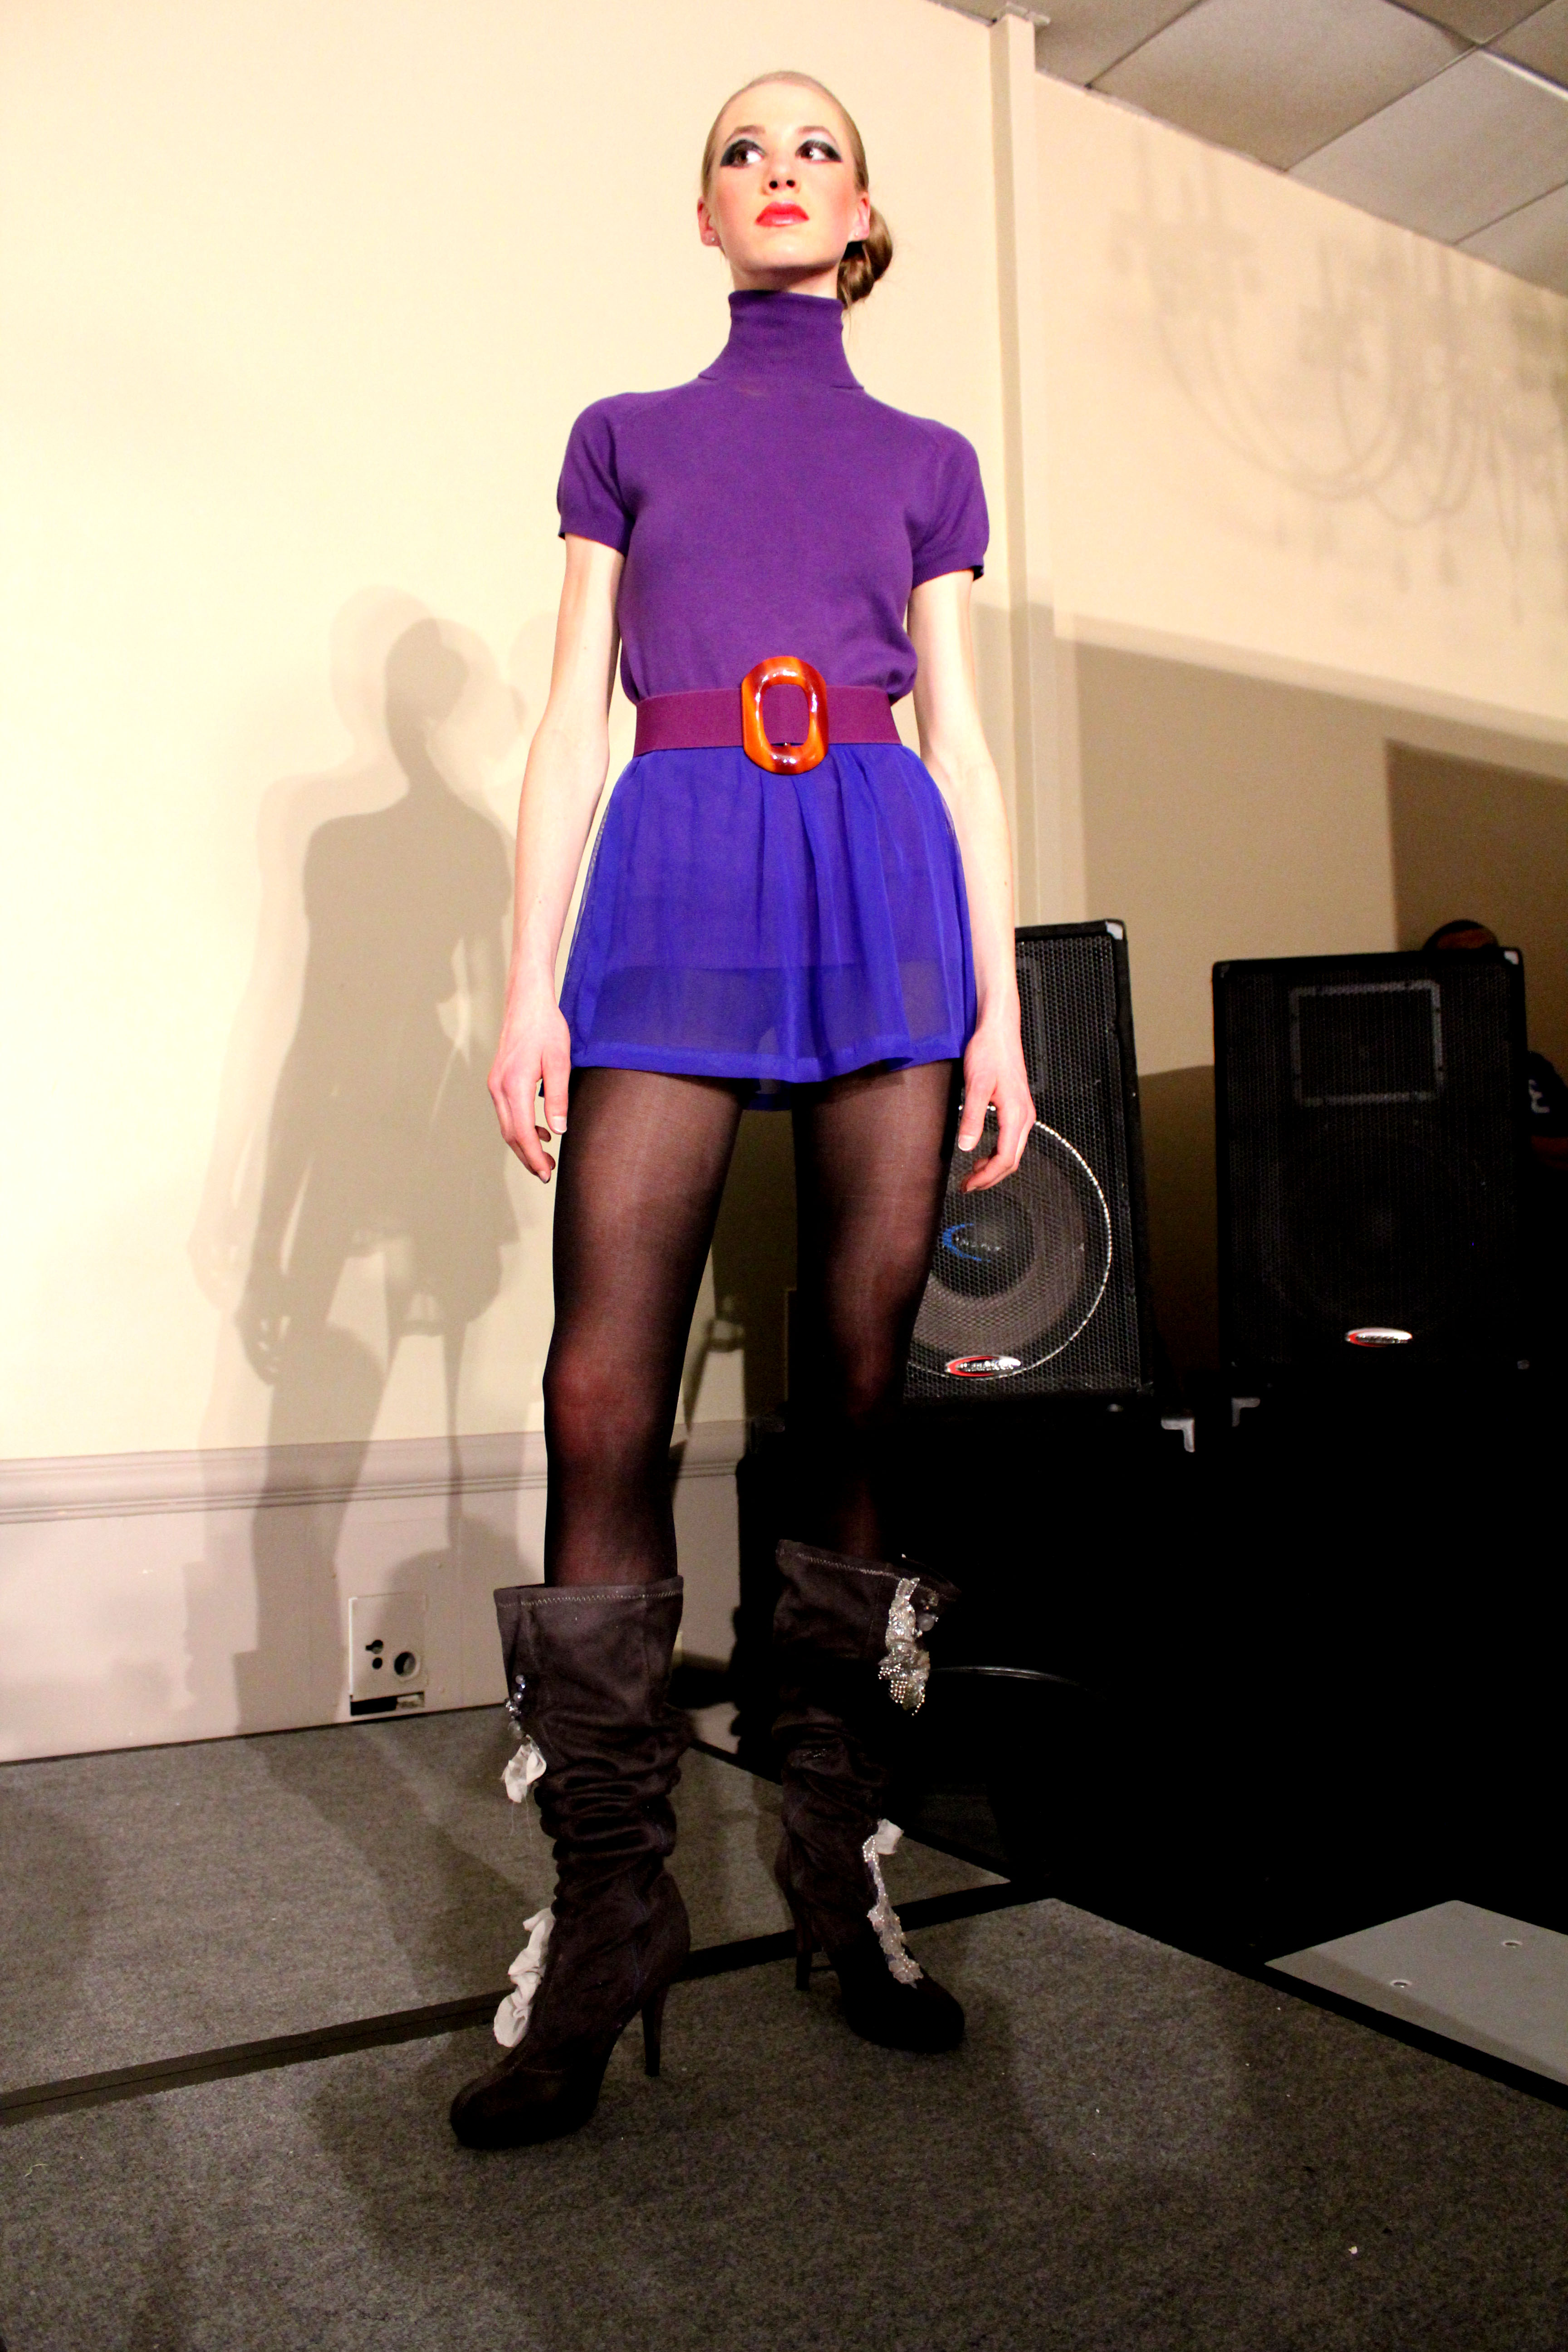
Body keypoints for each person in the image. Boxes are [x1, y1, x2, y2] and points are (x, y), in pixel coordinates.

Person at [450, 71, 1034, 2151]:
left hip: (879, 875)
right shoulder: (626, 434)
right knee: (600, 1389)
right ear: (703, 213)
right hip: (681, 866)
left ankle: (832, 1867)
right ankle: (611, 1908)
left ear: (861, 213)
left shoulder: (930, 460)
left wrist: (1001, 1012)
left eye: (816, 150)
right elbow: (568, 721)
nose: (779, 171)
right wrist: (530, 981)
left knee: (857, 1395)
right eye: (741, 150)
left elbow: (962, 742)